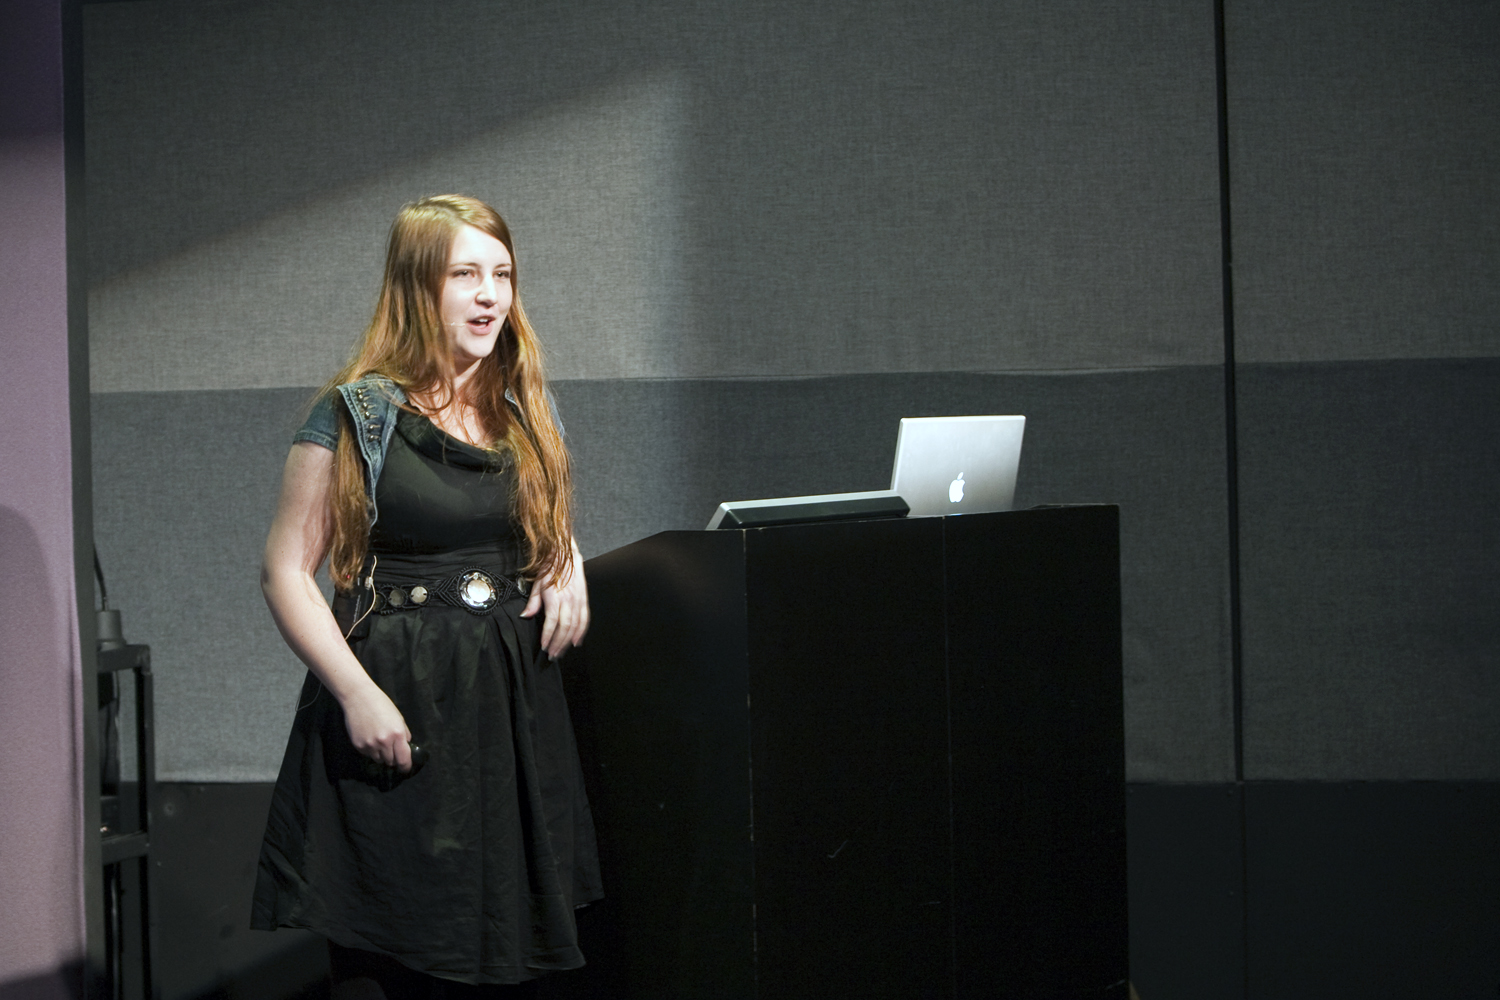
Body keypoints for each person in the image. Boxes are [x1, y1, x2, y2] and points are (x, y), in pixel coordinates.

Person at [251, 195, 601, 999]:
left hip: (511, 715)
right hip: (404, 703)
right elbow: (284, 571)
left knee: (515, 961)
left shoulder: (520, 411)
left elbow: (533, 523)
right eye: (466, 275)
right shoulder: (358, 414)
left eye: (503, 274)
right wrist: (356, 695)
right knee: (411, 960)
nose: (491, 295)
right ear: (419, 288)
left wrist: (565, 553)